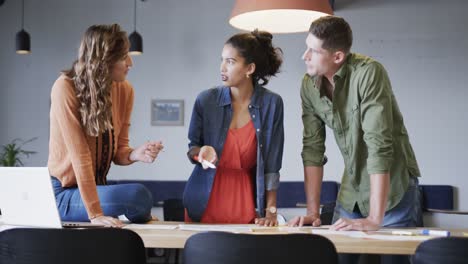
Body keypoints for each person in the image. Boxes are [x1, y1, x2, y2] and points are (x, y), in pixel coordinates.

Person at [289, 16, 422, 263]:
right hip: (352, 188)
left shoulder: (370, 73)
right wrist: (312, 212)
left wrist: (374, 218)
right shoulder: (308, 84)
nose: (304, 56)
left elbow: (378, 145)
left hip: (392, 190)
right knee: (336, 257)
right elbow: (312, 150)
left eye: (313, 51)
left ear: (337, 57)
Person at [48, 24, 164, 227]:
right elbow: (80, 155)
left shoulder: (125, 90)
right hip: (62, 193)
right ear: (104, 61)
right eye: (123, 57)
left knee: (138, 197)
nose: (130, 63)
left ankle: (135, 211)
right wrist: (95, 214)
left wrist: (135, 154)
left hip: (95, 188)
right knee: (137, 196)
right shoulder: (64, 87)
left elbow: (119, 151)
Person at [183, 30, 284, 226]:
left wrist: (270, 210)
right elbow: (192, 148)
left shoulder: (272, 104)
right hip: (203, 200)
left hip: (246, 201)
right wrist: (201, 152)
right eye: (222, 60)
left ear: (249, 68)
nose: (222, 67)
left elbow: (272, 165)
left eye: (230, 61)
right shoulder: (206, 100)